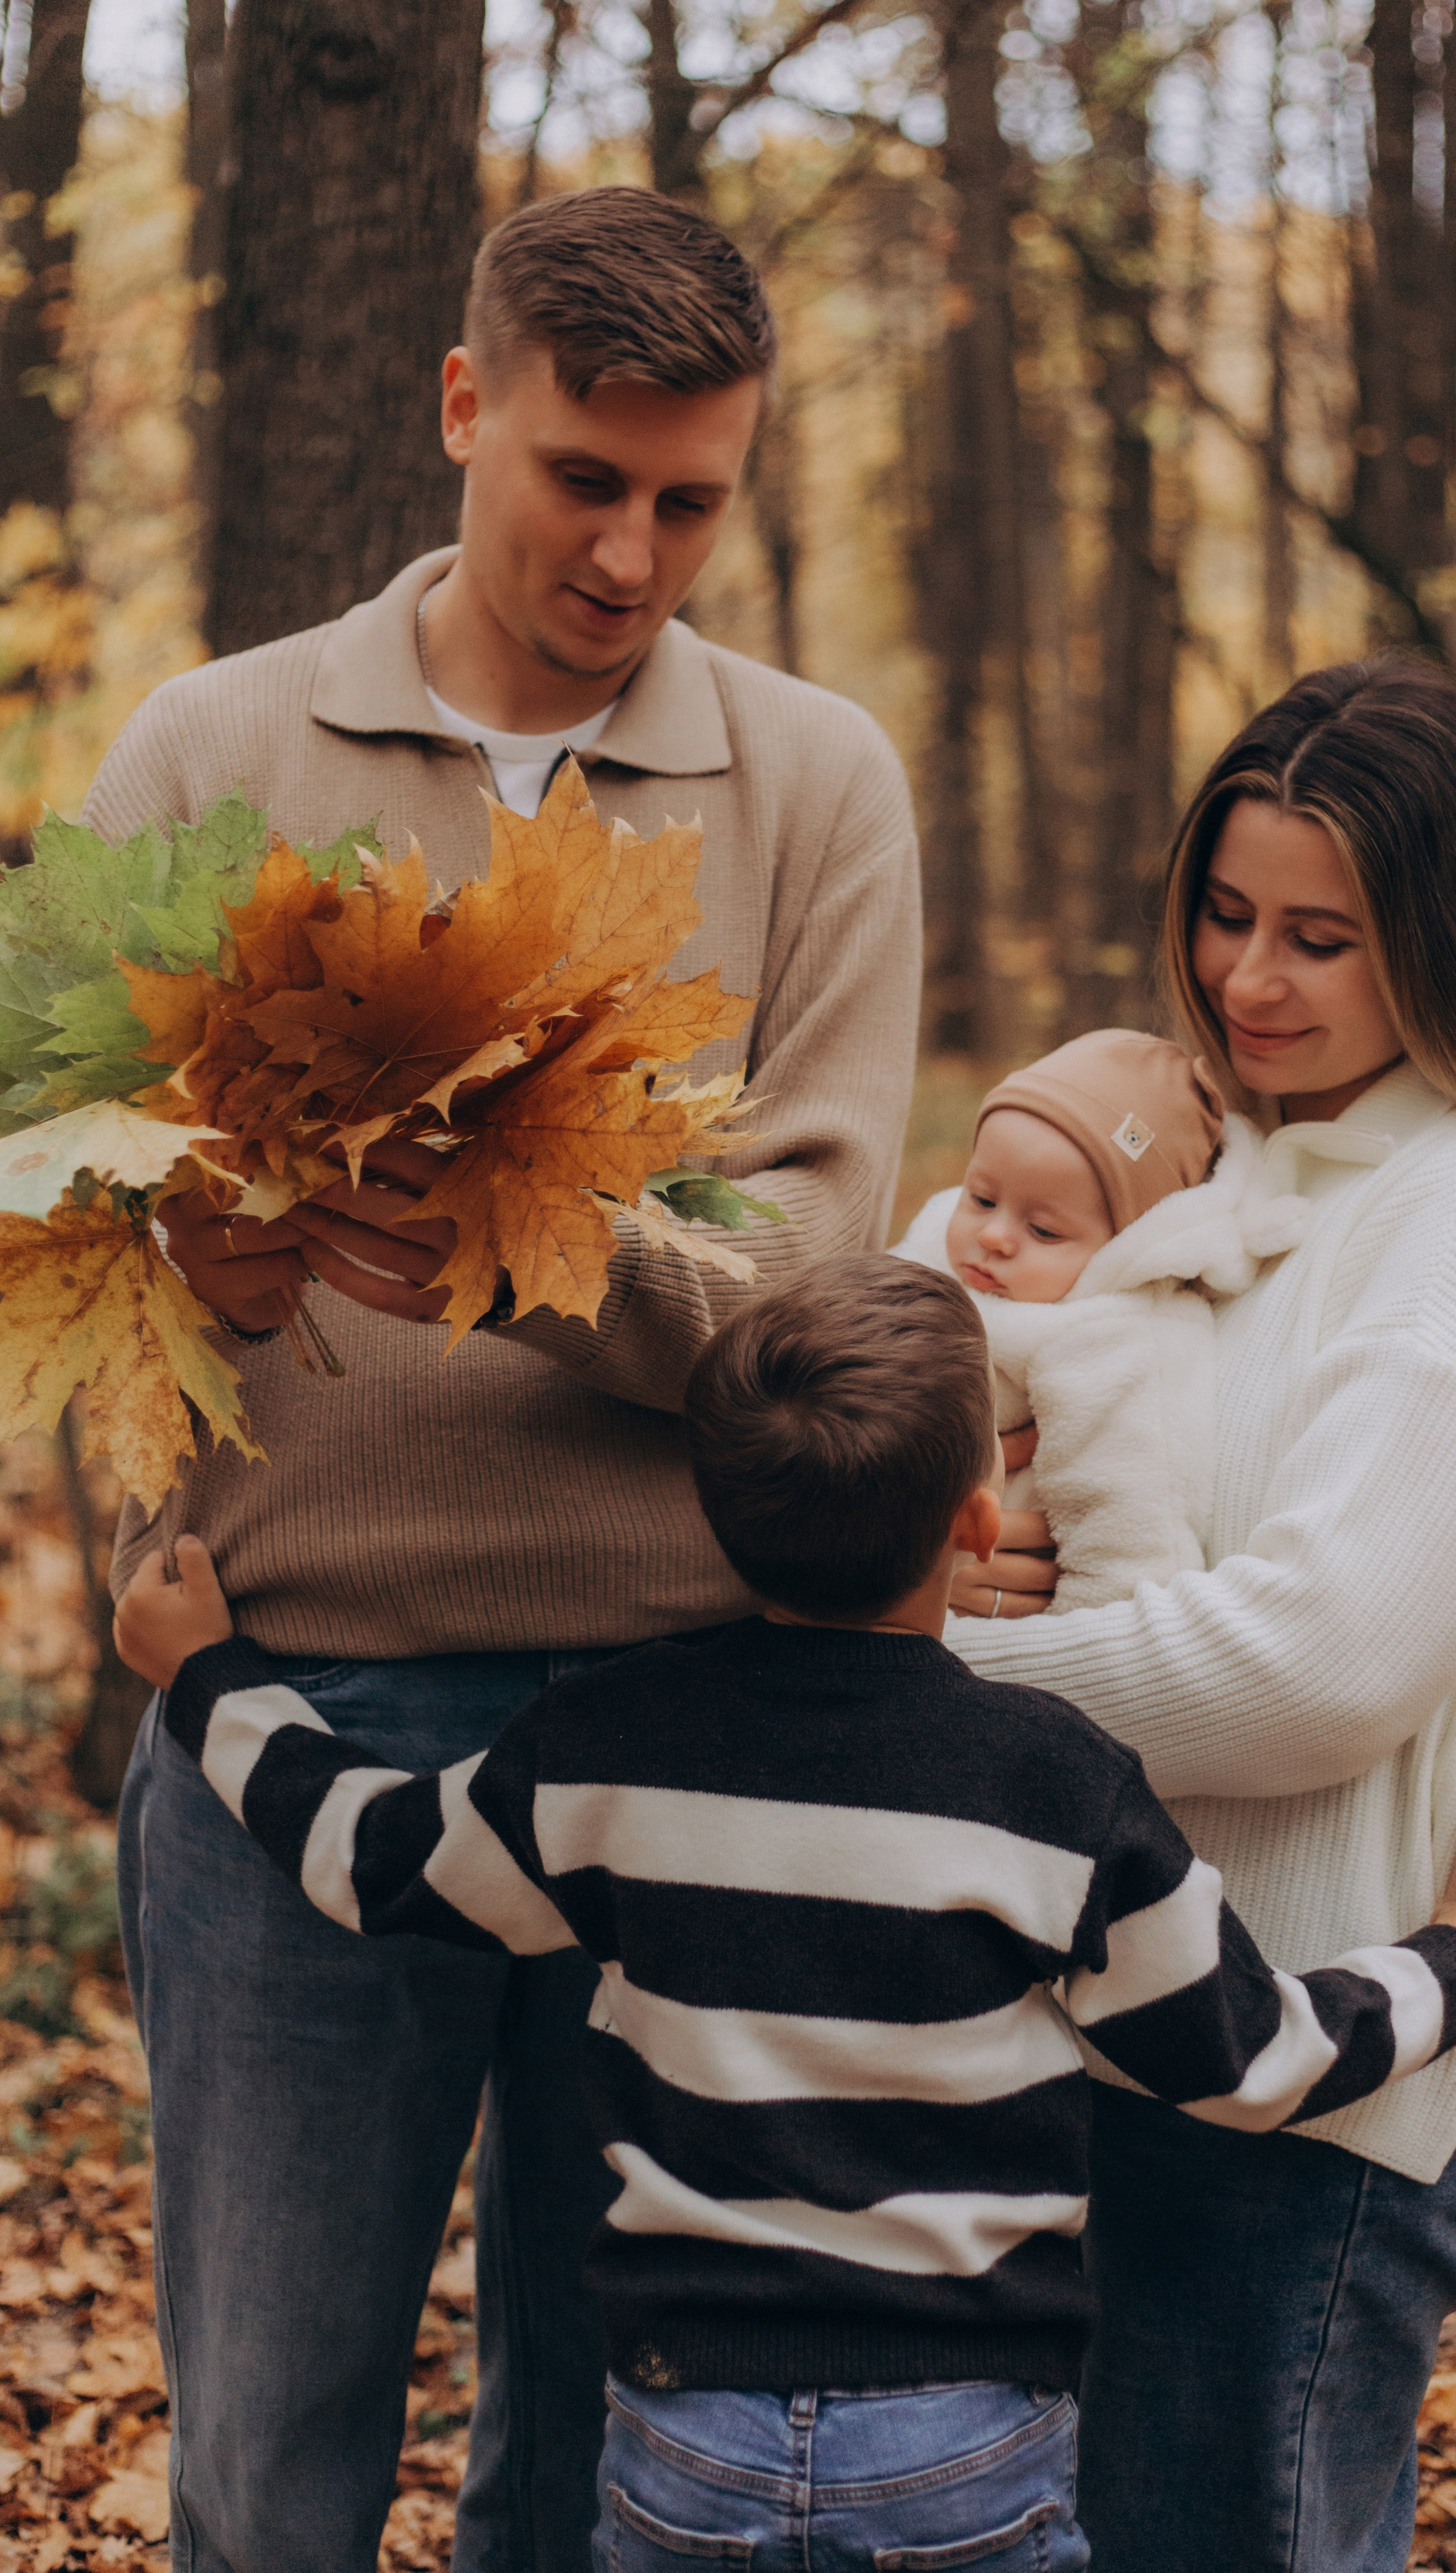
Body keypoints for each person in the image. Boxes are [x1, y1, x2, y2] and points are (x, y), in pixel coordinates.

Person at [83, 189, 921, 2573]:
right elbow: (54, 1217)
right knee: (271, 2462)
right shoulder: (212, 746)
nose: (632, 555)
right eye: (583, 478)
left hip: (699, 1727)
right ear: (465, 405)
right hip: (290, 1711)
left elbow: (811, 1305)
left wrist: (504, 1224)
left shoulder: (816, 785)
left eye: (690, 502)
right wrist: (182, 1274)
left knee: (611, 2478)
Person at [114, 1260, 1456, 2573]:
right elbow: (1250, 2060)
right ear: (975, 1521)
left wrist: (210, 1679)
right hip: (959, 2449)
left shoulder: (610, 1746)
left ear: (709, 1514)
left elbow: (370, 1857)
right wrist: (1455, 1950)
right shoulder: (1054, 1785)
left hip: (688, 2444)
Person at [943, 655, 1456, 2573]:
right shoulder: (1204, 1157)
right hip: (1093, 2024)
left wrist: (925, 1672)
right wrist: (959, 1542)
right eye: (1225, 912)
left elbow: (1312, 1663)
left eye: (1320, 937)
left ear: (1449, 940)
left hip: (1312, 2065)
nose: (1247, 978)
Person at [893, 1030, 1305, 1605]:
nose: (993, 1236)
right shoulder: (932, 1251)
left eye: (1044, 1230)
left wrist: (1066, 1639)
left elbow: (1129, 1541)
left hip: (997, 1615)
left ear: (1129, 1244)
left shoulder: (1114, 1344)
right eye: (982, 1198)